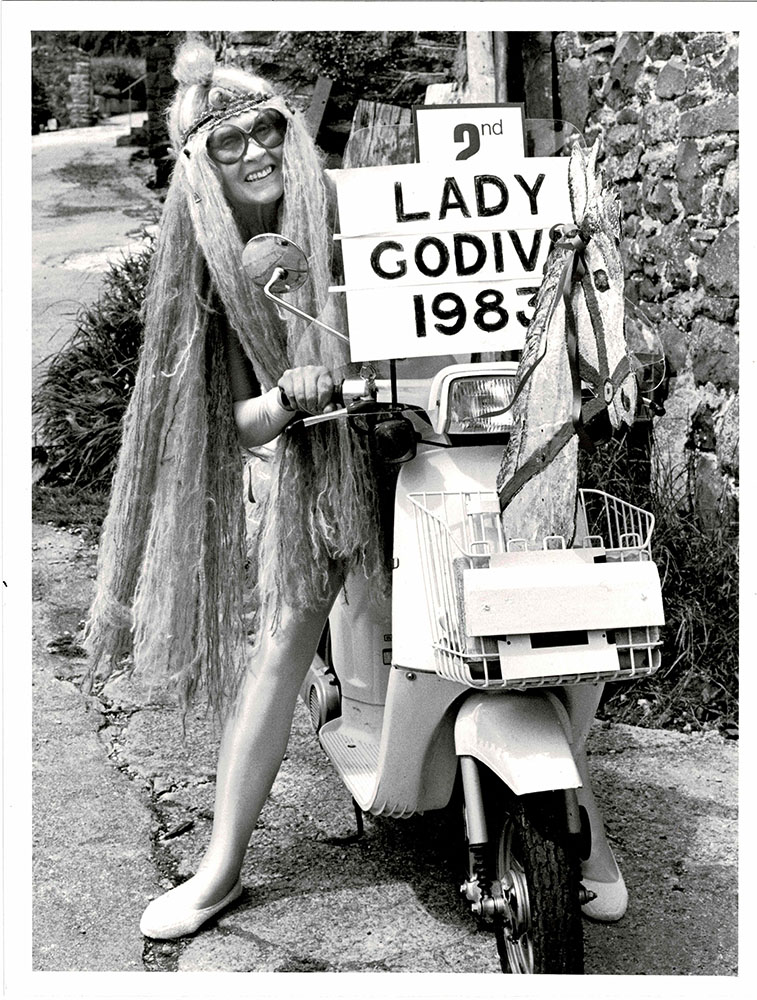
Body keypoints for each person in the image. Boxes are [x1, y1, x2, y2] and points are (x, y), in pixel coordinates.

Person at [85, 39, 626, 941]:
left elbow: (444, 279)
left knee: (534, 613)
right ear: (197, 167)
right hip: (316, 460)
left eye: (266, 130)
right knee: (287, 637)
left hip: (425, 434)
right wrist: (284, 394)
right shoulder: (212, 266)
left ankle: (587, 835)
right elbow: (230, 421)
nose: (256, 152)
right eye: (230, 144)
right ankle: (220, 867)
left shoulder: (349, 204)